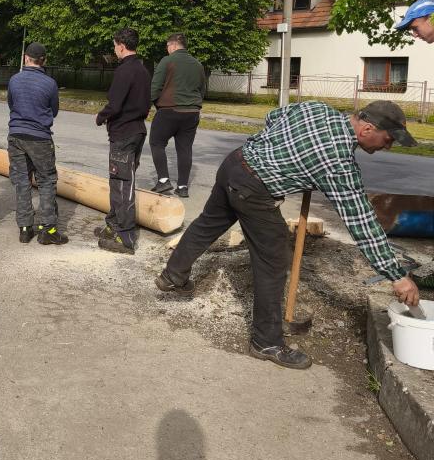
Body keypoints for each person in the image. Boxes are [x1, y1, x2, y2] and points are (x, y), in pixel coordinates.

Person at [155, 100, 421, 371]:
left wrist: (288, 155)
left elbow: (274, 116)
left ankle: (173, 275)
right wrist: (397, 276)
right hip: (254, 189)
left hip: (235, 163)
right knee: (273, 261)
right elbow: (362, 222)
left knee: (208, 223)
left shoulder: (318, 109)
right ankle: (266, 342)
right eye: (388, 140)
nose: (387, 147)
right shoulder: (338, 163)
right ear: (367, 129)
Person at [94, 27, 152, 255]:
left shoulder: (125, 70)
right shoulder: (143, 69)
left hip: (124, 133)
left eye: (114, 45)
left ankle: (125, 236)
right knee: (118, 179)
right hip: (137, 130)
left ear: (121, 45)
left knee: (122, 183)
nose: (114, 49)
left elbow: (115, 104)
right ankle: (114, 224)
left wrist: (101, 116)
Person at [7, 42, 68, 245]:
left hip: (16, 135)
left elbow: (11, 104)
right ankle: (48, 228)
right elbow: (54, 111)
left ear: (26, 58)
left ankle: (25, 228)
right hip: (40, 137)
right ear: (44, 60)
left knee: (21, 181)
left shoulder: (14, 80)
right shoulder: (50, 84)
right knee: (46, 180)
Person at [149, 32, 205, 198]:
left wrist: (153, 104)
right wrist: (194, 104)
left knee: (157, 142)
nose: (167, 49)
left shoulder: (167, 61)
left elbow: (155, 87)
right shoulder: (198, 64)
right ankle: (182, 187)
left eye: (167, 46)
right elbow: (202, 89)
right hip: (192, 112)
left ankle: (163, 180)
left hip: (169, 110)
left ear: (172, 45)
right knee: (185, 148)